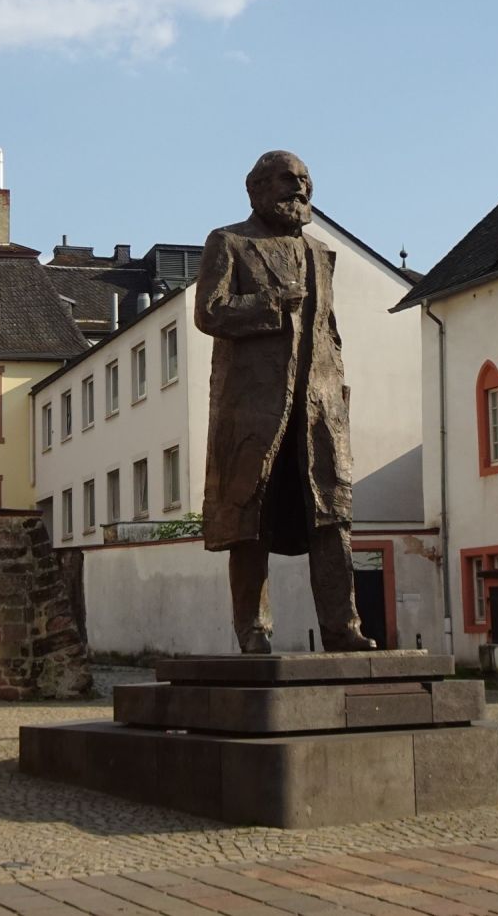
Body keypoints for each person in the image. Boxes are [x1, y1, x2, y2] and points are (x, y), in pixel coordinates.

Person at [194, 150, 375, 654]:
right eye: (287, 179)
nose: (300, 188)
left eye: (305, 179)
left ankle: (344, 629)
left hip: (317, 409)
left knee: (332, 517)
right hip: (254, 409)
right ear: (256, 189)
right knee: (250, 518)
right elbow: (208, 312)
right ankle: (253, 630)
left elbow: (328, 332)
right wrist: (272, 306)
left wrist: (337, 396)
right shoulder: (229, 242)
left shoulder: (320, 253)